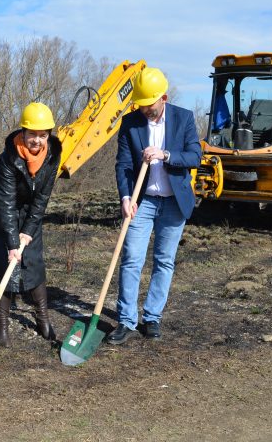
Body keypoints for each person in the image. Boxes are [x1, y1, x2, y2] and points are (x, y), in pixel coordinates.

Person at [106, 67, 201, 345]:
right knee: (132, 258)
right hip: (142, 201)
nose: (145, 109)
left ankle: (152, 317)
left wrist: (166, 154)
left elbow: (195, 156)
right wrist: (125, 197)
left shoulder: (183, 118)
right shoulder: (130, 123)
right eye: (141, 105)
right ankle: (126, 320)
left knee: (164, 261)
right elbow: (123, 165)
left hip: (174, 202)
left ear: (164, 97)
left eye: (149, 104)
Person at [0, 102, 62, 347]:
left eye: (43, 135)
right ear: (23, 132)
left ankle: (42, 317)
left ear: (49, 135)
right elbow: (5, 202)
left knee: (34, 260)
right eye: (32, 134)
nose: (37, 140)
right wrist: (12, 243)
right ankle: (2, 324)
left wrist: (28, 230)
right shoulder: (7, 158)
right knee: (4, 266)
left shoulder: (53, 156)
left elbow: (42, 198)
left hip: (28, 214)